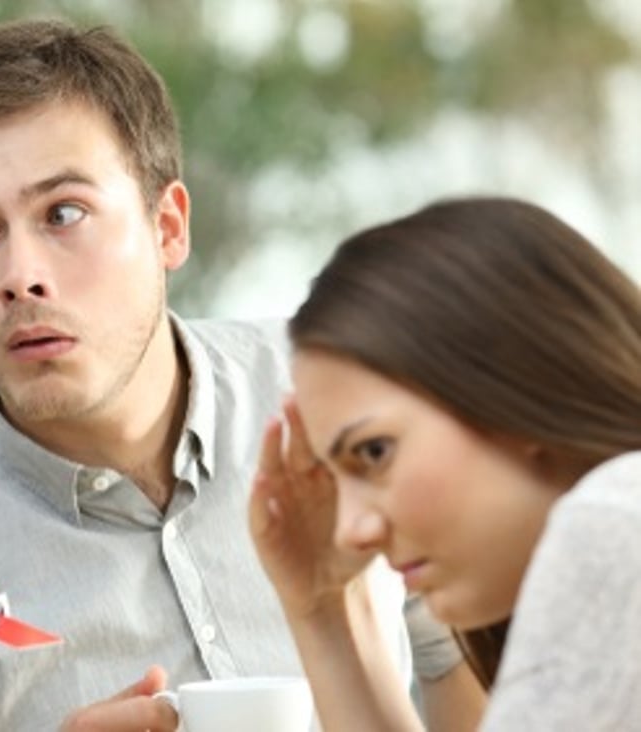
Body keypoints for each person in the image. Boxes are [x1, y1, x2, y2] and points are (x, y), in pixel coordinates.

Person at [0, 18, 483, 730]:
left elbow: (462, 654)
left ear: (168, 226)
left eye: (64, 212)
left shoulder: (342, 402)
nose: (22, 277)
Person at [249, 196, 641, 730]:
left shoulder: (614, 520)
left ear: (516, 382)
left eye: (373, 452)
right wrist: (320, 607)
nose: (349, 532)